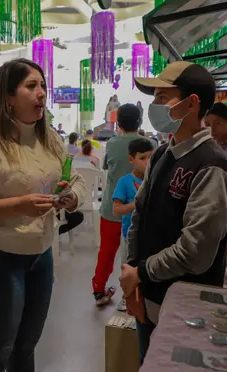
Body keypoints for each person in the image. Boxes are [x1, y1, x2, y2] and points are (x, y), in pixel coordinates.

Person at [0, 58, 87, 372]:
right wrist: (17, 205)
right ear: (8, 97)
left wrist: (71, 195)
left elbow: (74, 177)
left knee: (25, 348)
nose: (41, 93)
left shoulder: (49, 137)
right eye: (31, 86)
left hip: (40, 256)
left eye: (42, 86)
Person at [120, 61, 227, 362]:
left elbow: (196, 252)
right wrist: (134, 279)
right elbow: (139, 217)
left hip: (188, 310)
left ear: (192, 103)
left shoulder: (210, 164)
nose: (154, 105)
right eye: (154, 97)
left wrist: (141, 272)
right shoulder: (161, 152)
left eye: (162, 97)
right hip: (148, 298)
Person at [92, 104, 148, 306]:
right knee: (135, 254)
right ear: (139, 121)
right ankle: (132, 294)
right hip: (138, 212)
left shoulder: (113, 143)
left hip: (112, 210)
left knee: (106, 251)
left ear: (119, 122)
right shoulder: (150, 143)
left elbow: (106, 166)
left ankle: (99, 290)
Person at [112, 138, 154, 263]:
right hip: (129, 236)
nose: (147, 162)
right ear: (131, 159)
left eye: (150, 157)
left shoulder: (156, 179)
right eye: (142, 158)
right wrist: (136, 204)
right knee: (129, 270)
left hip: (151, 235)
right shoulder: (124, 182)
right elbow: (116, 210)